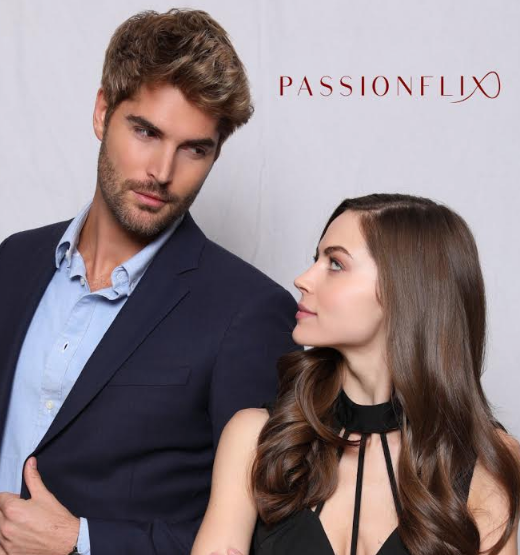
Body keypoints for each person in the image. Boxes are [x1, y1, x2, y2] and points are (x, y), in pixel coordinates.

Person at [0, 9, 301, 555]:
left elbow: (271, 530)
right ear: (102, 113)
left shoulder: (250, 312)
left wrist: (82, 540)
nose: (162, 172)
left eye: (195, 149)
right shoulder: (16, 261)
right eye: (146, 132)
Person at [191, 193, 520, 555]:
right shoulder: (256, 437)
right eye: (316, 259)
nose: (302, 279)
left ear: (404, 290)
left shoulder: (486, 459)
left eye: (335, 263)